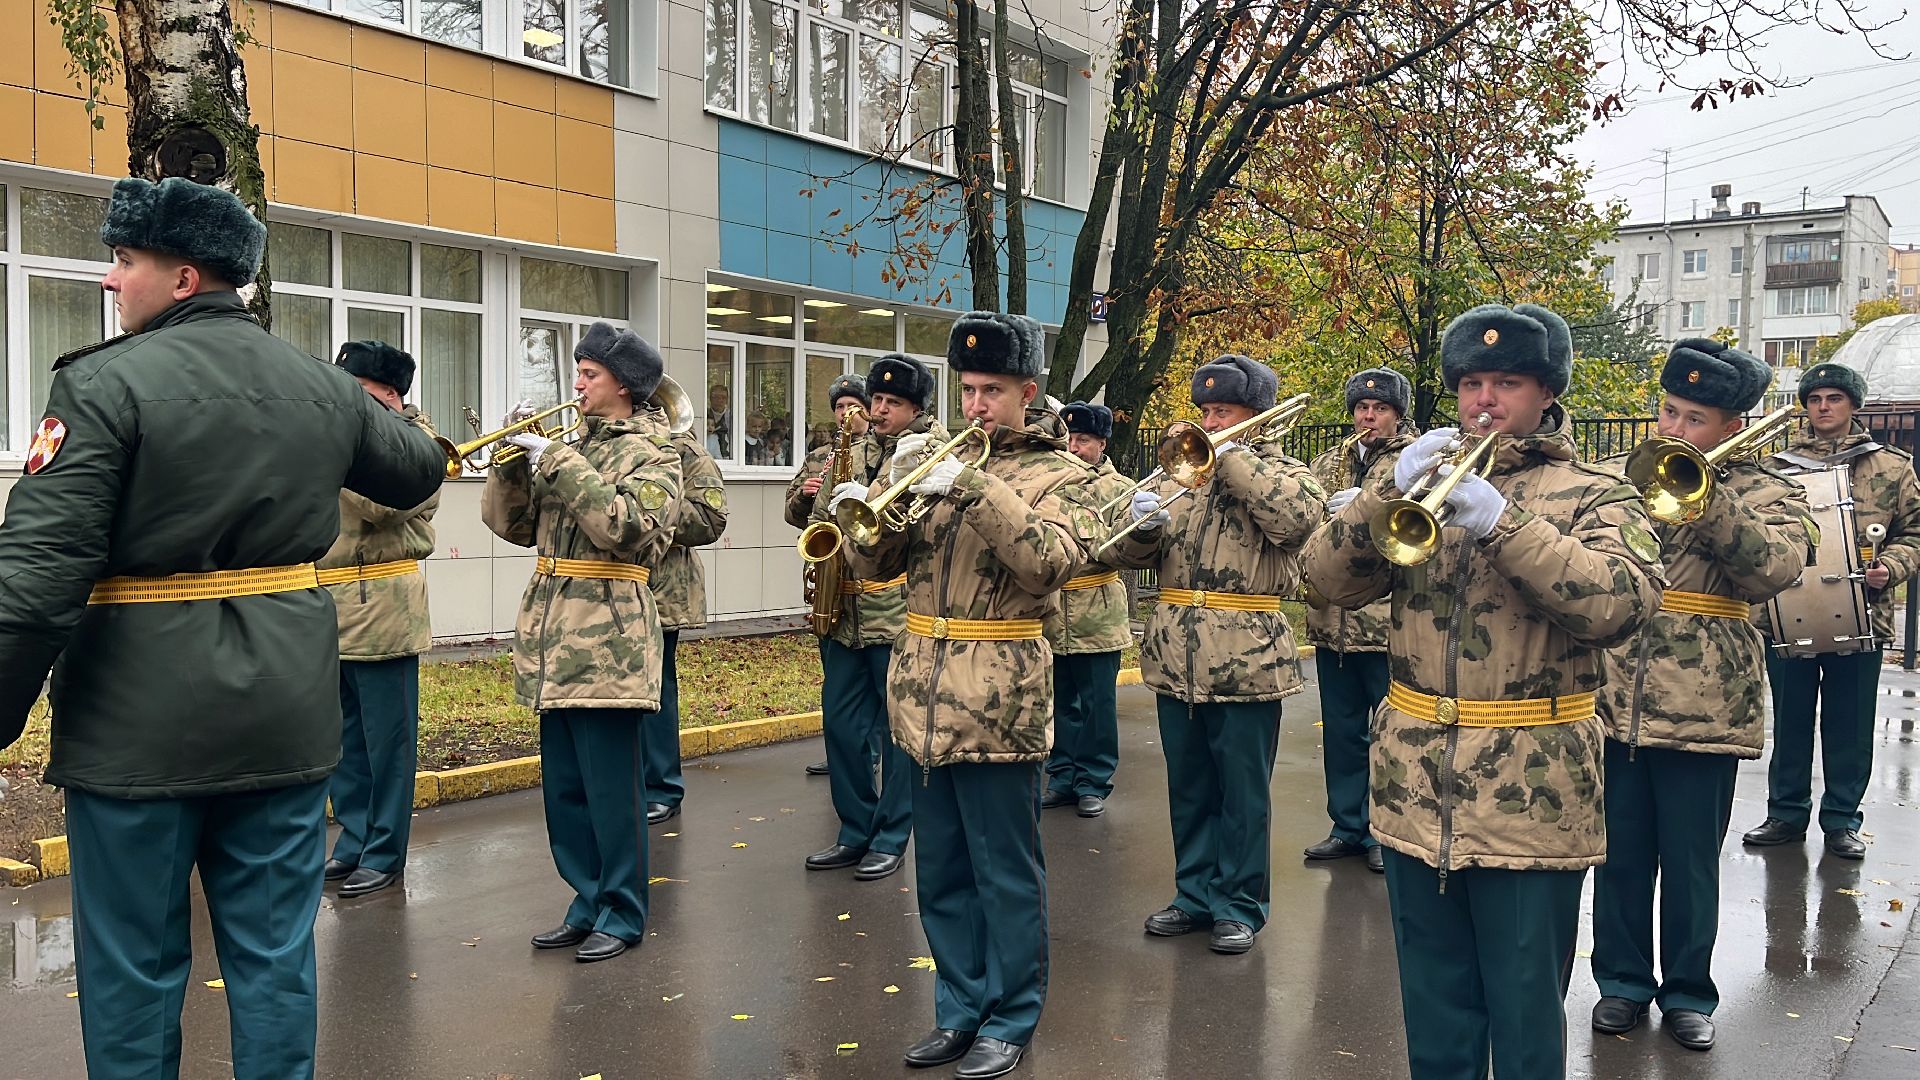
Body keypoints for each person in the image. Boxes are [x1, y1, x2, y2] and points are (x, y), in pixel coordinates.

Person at [0, 176, 445, 1079]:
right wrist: (344, 408)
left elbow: (35, 579)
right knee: (275, 963)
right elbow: (416, 469)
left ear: (184, 278)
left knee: (133, 973)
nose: (109, 279)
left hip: (137, 730)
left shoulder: (100, 384)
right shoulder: (320, 385)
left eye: (125, 260)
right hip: (284, 719)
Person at [1303, 303, 1662, 1080]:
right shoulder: (1421, 483)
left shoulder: (1597, 493)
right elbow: (1324, 582)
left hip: (1531, 794)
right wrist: (1382, 494)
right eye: (1471, 383)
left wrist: (1504, 524)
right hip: (1414, 783)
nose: (1484, 400)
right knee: (1434, 1003)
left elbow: (1620, 605)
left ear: (1546, 392)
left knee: (1525, 1007)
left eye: (1507, 382)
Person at [841, 312, 1094, 1079]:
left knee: (1004, 872)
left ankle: (1010, 1016)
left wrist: (974, 487)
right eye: (968, 390)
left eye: (992, 391)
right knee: (943, 871)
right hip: (922, 693)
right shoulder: (935, 458)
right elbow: (872, 566)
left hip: (999, 700)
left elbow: (1050, 563)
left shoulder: (1062, 475)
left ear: (1029, 393)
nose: (976, 405)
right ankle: (958, 1008)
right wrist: (879, 498)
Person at [1589, 339, 1810, 1052]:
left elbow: (1773, 570)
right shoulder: (1621, 476)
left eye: (1694, 419)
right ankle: (1621, 983)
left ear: (1732, 427)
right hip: (1615, 693)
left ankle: (1688, 991)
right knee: (1619, 855)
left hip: (1706, 703)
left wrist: (1706, 500)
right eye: (1668, 412)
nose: (1674, 429)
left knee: (1689, 862)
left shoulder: (1771, 491)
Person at [1104, 354, 1323, 955]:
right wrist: (1143, 528)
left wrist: (1231, 459)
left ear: (1257, 416)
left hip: (1248, 660)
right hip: (1176, 655)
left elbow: (1296, 524)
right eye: (1205, 411)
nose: (1209, 422)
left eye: (1223, 411)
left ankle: (1240, 904)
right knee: (1190, 787)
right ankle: (1194, 895)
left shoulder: (1289, 474)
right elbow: (1121, 554)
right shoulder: (1182, 478)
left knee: (1243, 795)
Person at [480, 322, 682, 964]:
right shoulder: (572, 445)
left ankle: (623, 910)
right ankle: (587, 899)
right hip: (553, 639)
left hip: (610, 641)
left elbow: (628, 528)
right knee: (565, 791)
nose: (577, 384)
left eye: (590, 374)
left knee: (611, 792)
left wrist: (558, 461)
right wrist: (512, 462)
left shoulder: (656, 454)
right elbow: (511, 526)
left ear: (624, 385)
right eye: (579, 371)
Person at [1744, 361, 1920, 859]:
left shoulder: (1891, 467)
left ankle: (1843, 820)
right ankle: (1785, 814)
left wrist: (1891, 566)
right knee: (1790, 721)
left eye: (1834, 398)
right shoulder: (1776, 467)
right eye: (1815, 399)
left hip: (1863, 615)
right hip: (1786, 613)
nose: (1823, 408)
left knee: (1850, 724)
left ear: (1853, 405)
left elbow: (1914, 532)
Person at [800, 359, 943, 880]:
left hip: (897, 611)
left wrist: (870, 503)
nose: (879, 410)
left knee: (898, 732)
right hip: (844, 612)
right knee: (842, 727)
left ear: (916, 409)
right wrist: (828, 514)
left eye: (892, 403)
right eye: (876, 400)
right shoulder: (852, 450)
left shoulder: (928, 452)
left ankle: (890, 836)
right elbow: (819, 518)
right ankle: (854, 830)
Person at [320, 340, 442, 899]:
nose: (346, 402)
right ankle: (354, 840)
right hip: (331, 602)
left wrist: (329, 457)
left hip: (385, 606)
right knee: (343, 742)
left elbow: (384, 505)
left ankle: (386, 851)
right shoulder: (348, 437)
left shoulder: (421, 446)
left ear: (390, 395)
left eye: (358, 393)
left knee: (387, 744)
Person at [1302, 367, 1417, 875]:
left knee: (1388, 735)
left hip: (1385, 624)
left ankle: (1382, 831)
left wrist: (1365, 512)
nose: (1368, 416)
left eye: (1380, 409)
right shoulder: (1330, 461)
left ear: (1398, 415)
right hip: (1333, 623)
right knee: (1342, 732)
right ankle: (1347, 825)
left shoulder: (1415, 462)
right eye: (1362, 408)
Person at [1041, 402, 1132, 818]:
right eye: (1069, 439)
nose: (1074, 448)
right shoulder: (1051, 481)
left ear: (1102, 444)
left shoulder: (1119, 489)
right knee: (1058, 701)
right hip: (1052, 610)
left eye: (1083, 440)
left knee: (1097, 706)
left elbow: (1123, 550)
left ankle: (1094, 781)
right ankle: (1061, 776)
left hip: (1097, 612)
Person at [644, 409, 729, 826]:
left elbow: (710, 519)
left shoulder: (684, 449)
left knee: (656, 690)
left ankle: (662, 787)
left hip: (661, 588)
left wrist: (647, 509)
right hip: (610, 589)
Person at [785, 384, 868, 779]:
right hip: (831, 572)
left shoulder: (879, 453)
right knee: (836, 675)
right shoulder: (820, 456)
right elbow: (792, 513)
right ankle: (843, 754)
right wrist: (805, 496)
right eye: (839, 406)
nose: (845, 413)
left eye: (854, 405)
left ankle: (870, 749)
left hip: (868, 576)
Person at [707, 382, 732, 459]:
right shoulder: (704, 415)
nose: (720, 400)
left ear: (727, 400)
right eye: (716, 397)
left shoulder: (731, 417)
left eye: (723, 397)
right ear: (710, 399)